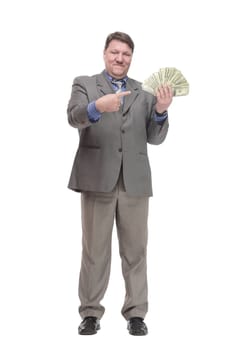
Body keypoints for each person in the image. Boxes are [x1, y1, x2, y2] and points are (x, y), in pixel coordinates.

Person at [67, 31, 173, 336]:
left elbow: (155, 137)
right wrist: (98, 107)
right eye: (114, 52)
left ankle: (136, 313)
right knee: (94, 251)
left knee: (136, 251)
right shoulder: (85, 84)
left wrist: (162, 112)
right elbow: (74, 117)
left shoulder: (145, 91)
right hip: (97, 178)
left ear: (131, 58)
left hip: (134, 183)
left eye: (125, 54)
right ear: (104, 54)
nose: (119, 58)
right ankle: (90, 312)